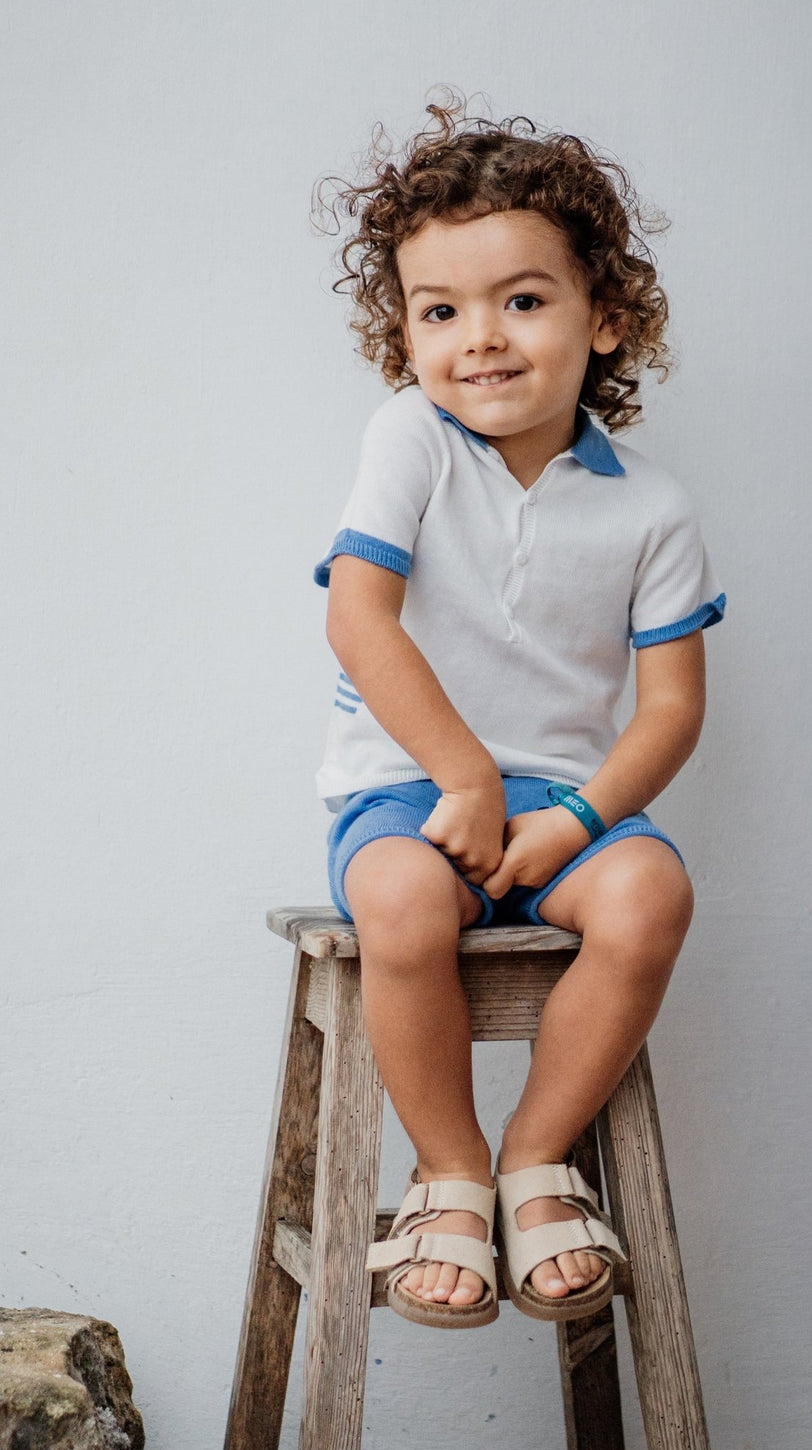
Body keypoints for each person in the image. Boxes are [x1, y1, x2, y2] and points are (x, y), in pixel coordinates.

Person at [312, 98, 725, 1330]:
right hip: (408, 786)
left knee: (651, 893)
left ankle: (534, 1166)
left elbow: (670, 711)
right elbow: (358, 619)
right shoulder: (409, 441)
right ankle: (443, 1172)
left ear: (606, 318)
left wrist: (576, 816)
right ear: (404, 333)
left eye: (522, 301)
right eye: (439, 311)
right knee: (397, 898)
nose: (478, 339)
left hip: (562, 804)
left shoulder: (652, 509)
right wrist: (462, 779)